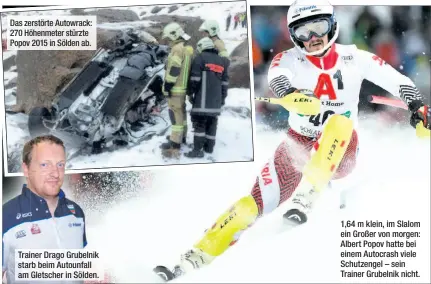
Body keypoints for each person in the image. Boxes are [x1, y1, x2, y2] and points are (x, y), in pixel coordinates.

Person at [154, 0, 431, 281]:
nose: (312, 39)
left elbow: (397, 81)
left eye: (319, 27)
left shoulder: (353, 57)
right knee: (252, 204)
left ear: (333, 25)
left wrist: (416, 105)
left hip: (341, 147)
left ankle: (308, 194)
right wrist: (294, 95)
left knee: (338, 121)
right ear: (293, 35)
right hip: (298, 143)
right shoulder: (287, 60)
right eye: (302, 32)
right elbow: (279, 80)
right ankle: (191, 260)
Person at [2, 135, 87, 284]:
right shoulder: (5, 216)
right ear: (26, 169)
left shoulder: (77, 213)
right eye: (44, 165)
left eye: (60, 164)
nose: (55, 173)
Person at [184, 37, 230, 158]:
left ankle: (197, 150)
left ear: (201, 46)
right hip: (216, 102)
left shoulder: (200, 58)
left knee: (200, 124)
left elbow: (195, 79)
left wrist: (189, 92)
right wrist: (222, 99)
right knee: (212, 123)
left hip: (202, 101)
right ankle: (209, 148)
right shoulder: (222, 61)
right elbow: (225, 83)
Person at [160, 22, 194, 158]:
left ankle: (175, 144)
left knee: (175, 115)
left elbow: (174, 68)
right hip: (182, 88)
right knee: (181, 114)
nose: (168, 41)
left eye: (169, 38)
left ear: (174, 35)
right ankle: (182, 137)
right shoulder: (187, 48)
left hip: (175, 88)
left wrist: (168, 85)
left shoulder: (177, 49)